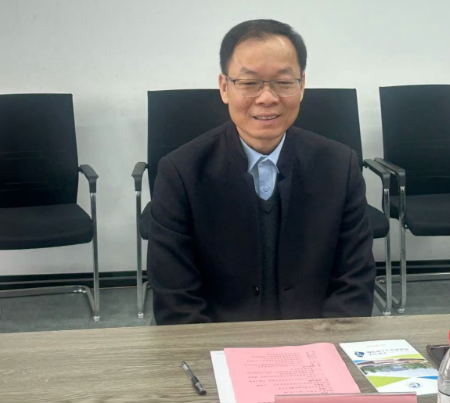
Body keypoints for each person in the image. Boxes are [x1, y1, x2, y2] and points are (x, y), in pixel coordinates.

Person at [148, 19, 376, 325]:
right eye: (249, 82)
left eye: (283, 82)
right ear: (224, 87)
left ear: (302, 86)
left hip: (316, 340)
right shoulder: (181, 173)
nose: (267, 97)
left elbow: (354, 283)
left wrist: (324, 345)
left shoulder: (340, 166)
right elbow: (176, 302)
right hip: (218, 343)